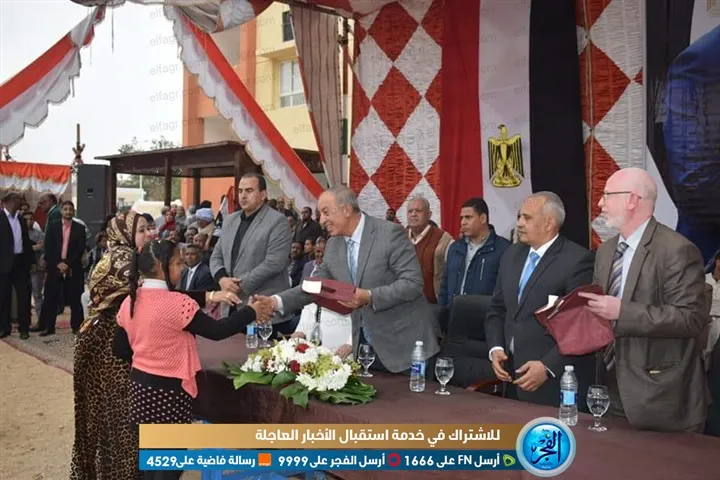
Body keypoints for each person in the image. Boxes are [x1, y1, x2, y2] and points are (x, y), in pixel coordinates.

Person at [111, 240, 272, 480]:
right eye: (178, 263)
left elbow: (119, 348)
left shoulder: (130, 301)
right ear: (161, 266)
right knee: (169, 465)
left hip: (141, 390)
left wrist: (148, 354)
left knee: (150, 461)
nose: (183, 268)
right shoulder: (177, 304)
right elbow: (217, 331)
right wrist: (251, 312)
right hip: (170, 393)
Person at [579, 168, 708, 432]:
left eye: (607, 195)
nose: (600, 203)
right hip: (608, 388)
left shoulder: (677, 250)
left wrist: (622, 312)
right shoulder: (605, 250)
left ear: (632, 200)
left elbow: (690, 318)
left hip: (659, 396)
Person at [261, 186, 440, 372]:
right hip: (363, 349)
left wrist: (369, 296)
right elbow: (315, 287)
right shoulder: (333, 245)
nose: (321, 221)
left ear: (346, 209)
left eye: (326, 212)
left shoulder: (389, 234)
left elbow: (412, 284)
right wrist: (275, 301)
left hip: (406, 348)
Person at [484, 192, 595, 408]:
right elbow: (497, 309)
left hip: (552, 382)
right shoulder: (511, 255)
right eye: (519, 216)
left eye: (527, 218)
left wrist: (547, 366)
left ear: (549, 223)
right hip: (511, 376)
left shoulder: (578, 261)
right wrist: (495, 348)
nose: (519, 223)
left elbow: (581, 326)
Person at [71, 210, 149, 480]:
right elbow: (155, 299)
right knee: (120, 416)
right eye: (141, 230)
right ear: (125, 233)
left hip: (104, 340)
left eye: (147, 228)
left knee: (106, 417)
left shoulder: (121, 255)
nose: (148, 234)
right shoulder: (124, 262)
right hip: (108, 346)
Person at [211, 173, 293, 332]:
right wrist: (222, 279)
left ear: (263, 195)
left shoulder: (277, 221)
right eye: (240, 191)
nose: (243, 195)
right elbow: (216, 255)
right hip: (230, 308)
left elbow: (274, 263)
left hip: (263, 309)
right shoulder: (230, 220)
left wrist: (237, 285)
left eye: (249, 191)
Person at [439, 198, 509, 307]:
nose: (463, 222)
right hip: (454, 314)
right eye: (461, 218)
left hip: (486, 315)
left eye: (468, 217)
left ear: (483, 218)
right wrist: (443, 312)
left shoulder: (503, 248)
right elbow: (445, 285)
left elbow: (506, 290)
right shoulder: (455, 248)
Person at [36, 200, 86, 335]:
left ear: (73, 211)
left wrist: (67, 264)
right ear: (61, 211)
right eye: (65, 209)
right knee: (51, 297)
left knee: (75, 298)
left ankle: (76, 326)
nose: (68, 212)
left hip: (73, 267)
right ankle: (48, 327)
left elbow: (80, 249)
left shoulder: (79, 228)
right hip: (55, 265)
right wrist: (58, 263)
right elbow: (48, 247)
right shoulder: (53, 226)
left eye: (70, 209)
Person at [405, 196, 454, 305]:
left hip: (433, 305)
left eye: (418, 211)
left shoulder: (444, 239)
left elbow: (454, 274)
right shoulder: (399, 238)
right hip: (403, 306)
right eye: (410, 211)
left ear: (429, 214)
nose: (413, 214)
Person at [0, 192, 34, 339]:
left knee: (24, 296)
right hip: (4, 263)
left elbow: (26, 242)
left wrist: (32, 261)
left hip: (20, 263)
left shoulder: (20, 219)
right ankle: (3, 327)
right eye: (20, 200)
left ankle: (24, 328)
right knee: (3, 297)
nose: (22, 203)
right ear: (12, 201)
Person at [23, 211, 45, 323]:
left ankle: (41, 320)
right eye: (26, 219)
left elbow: (44, 248)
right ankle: (25, 321)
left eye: (31, 219)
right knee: (24, 296)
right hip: (23, 268)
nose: (29, 222)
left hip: (36, 267)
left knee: (37, 294)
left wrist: (42, 258)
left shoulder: (39, 234)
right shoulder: (19, 234)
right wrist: (32, 248)